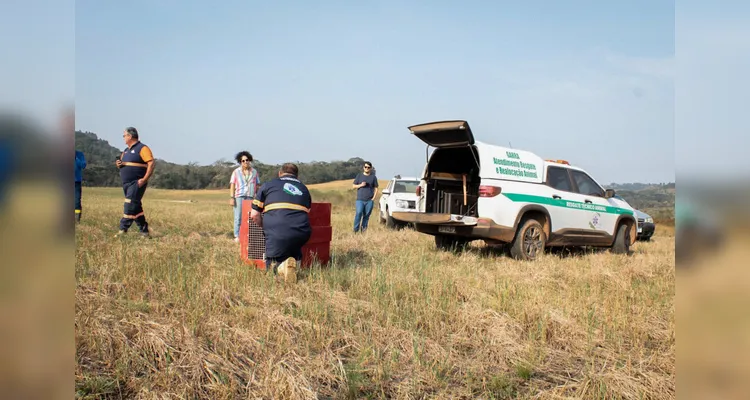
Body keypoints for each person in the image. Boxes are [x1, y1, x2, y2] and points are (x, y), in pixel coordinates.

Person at [250, 163, 312, 281]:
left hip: (276, 232)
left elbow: (254, 214)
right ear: (297, 176)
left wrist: (265, 227)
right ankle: (294, 266)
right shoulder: (304, 188)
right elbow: (306, 211)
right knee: (293, 247)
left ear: (280, 174)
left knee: (273, 269)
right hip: (302, 232)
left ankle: (278, 271)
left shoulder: (268, 185)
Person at [115, 127, 155, 237]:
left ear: (130, 136)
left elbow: (151, 163)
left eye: (124, 135)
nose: (123, 138)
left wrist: (144, 179)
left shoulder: (142, 148)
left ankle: (123, 230)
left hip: (137, 182)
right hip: (126, 183)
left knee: (129, 204)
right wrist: (119, 164)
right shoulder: (126, 151)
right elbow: (124, 164)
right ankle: (144, 231)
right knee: (136, 206)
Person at [229, 151, 260, 242]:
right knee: (238, 216)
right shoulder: (236, 172)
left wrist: (258, 197)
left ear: (250, 160)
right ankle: (237, 235)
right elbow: (232, 185)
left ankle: (248, 235)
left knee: (249, 217)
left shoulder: (254, 172)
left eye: (247, 160)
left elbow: (257, 185)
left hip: (250, 196)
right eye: (243, 161)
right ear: (240, 162)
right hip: (239, 196)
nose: (245, 162)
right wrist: (232, 198)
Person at [351, 161, 378, 233]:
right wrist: (360, 185)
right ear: (363, 167)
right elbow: (353, 186)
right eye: (365, 167)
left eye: (368, 167)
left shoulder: (373, 177)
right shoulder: (359, 176)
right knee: (359, 213)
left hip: (369, 200)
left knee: (366, 216)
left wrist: (373, 199)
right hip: (360, 200)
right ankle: (355, 230)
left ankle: (363, 231)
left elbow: (376, 188)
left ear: (371, 168)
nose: (367, 168)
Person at [74, 149, 87, 223]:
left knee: (76, 201)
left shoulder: (79, 154)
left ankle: (77, 220)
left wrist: (76, 158)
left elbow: (83, 165)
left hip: (76, 182)